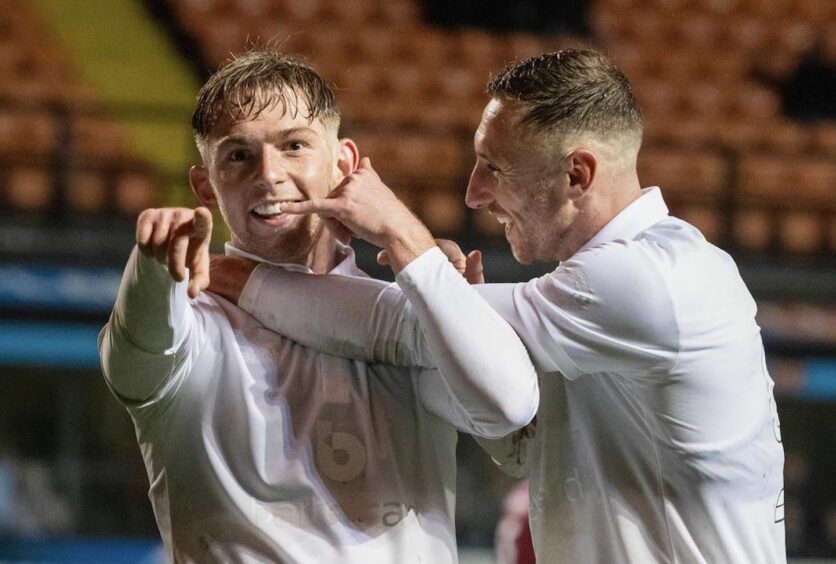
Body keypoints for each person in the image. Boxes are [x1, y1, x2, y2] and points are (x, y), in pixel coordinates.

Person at [209, 49, 787, 562]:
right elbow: (520, 446)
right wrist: (456, 321)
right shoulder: (602, 293)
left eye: (494, 167)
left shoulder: (649, 281)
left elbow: (394, 326)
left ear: (576, 175)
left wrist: (238, 272)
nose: (473, 193)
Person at [97, 50, 539, 563]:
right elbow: (135, 355)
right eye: (238, 155)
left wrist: (445, 299)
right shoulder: (194, 325)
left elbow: (506, 419)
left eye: (295, 146)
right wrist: (153, 267)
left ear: (344, 164)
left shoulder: (409, 311)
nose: (269, 174)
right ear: (205, 187)